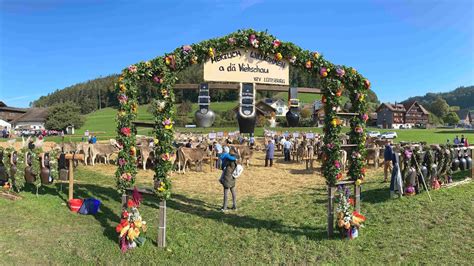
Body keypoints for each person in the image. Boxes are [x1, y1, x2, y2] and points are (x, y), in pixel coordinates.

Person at [219, 146, 238, 212]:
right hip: (233, 177)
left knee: (226, 193)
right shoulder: (236, 159)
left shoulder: (229, 159)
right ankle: (234, 206)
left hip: (227, 177)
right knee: (233, 192)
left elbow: (222, 166)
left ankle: (224, 207)